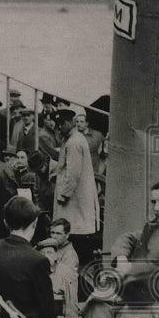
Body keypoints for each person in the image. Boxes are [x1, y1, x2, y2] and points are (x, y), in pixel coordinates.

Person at [81, 180, 159, 318]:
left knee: (104, 299)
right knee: (102, 293)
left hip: (155, 291)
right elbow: (128, 238)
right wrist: (121, 258)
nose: (156, 208)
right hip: (136, 283)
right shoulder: (154, 226)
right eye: (153, 202)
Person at [53, 111, 100, 267]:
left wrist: (63, 196)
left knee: (76, 239)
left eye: (62, 124)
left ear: (70, 122)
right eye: (58, 124)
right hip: (77, 202)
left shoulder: (74, 142)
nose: (59, 128)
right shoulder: (72, 140)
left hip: (75, 202)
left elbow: (73, 174)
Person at [37, 238, 79, 317]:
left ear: (56, 255)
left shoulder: (66, 273)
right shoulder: (37, 272)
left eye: (49, 253)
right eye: (42, 253)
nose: (46, 256)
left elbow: (71, 305)